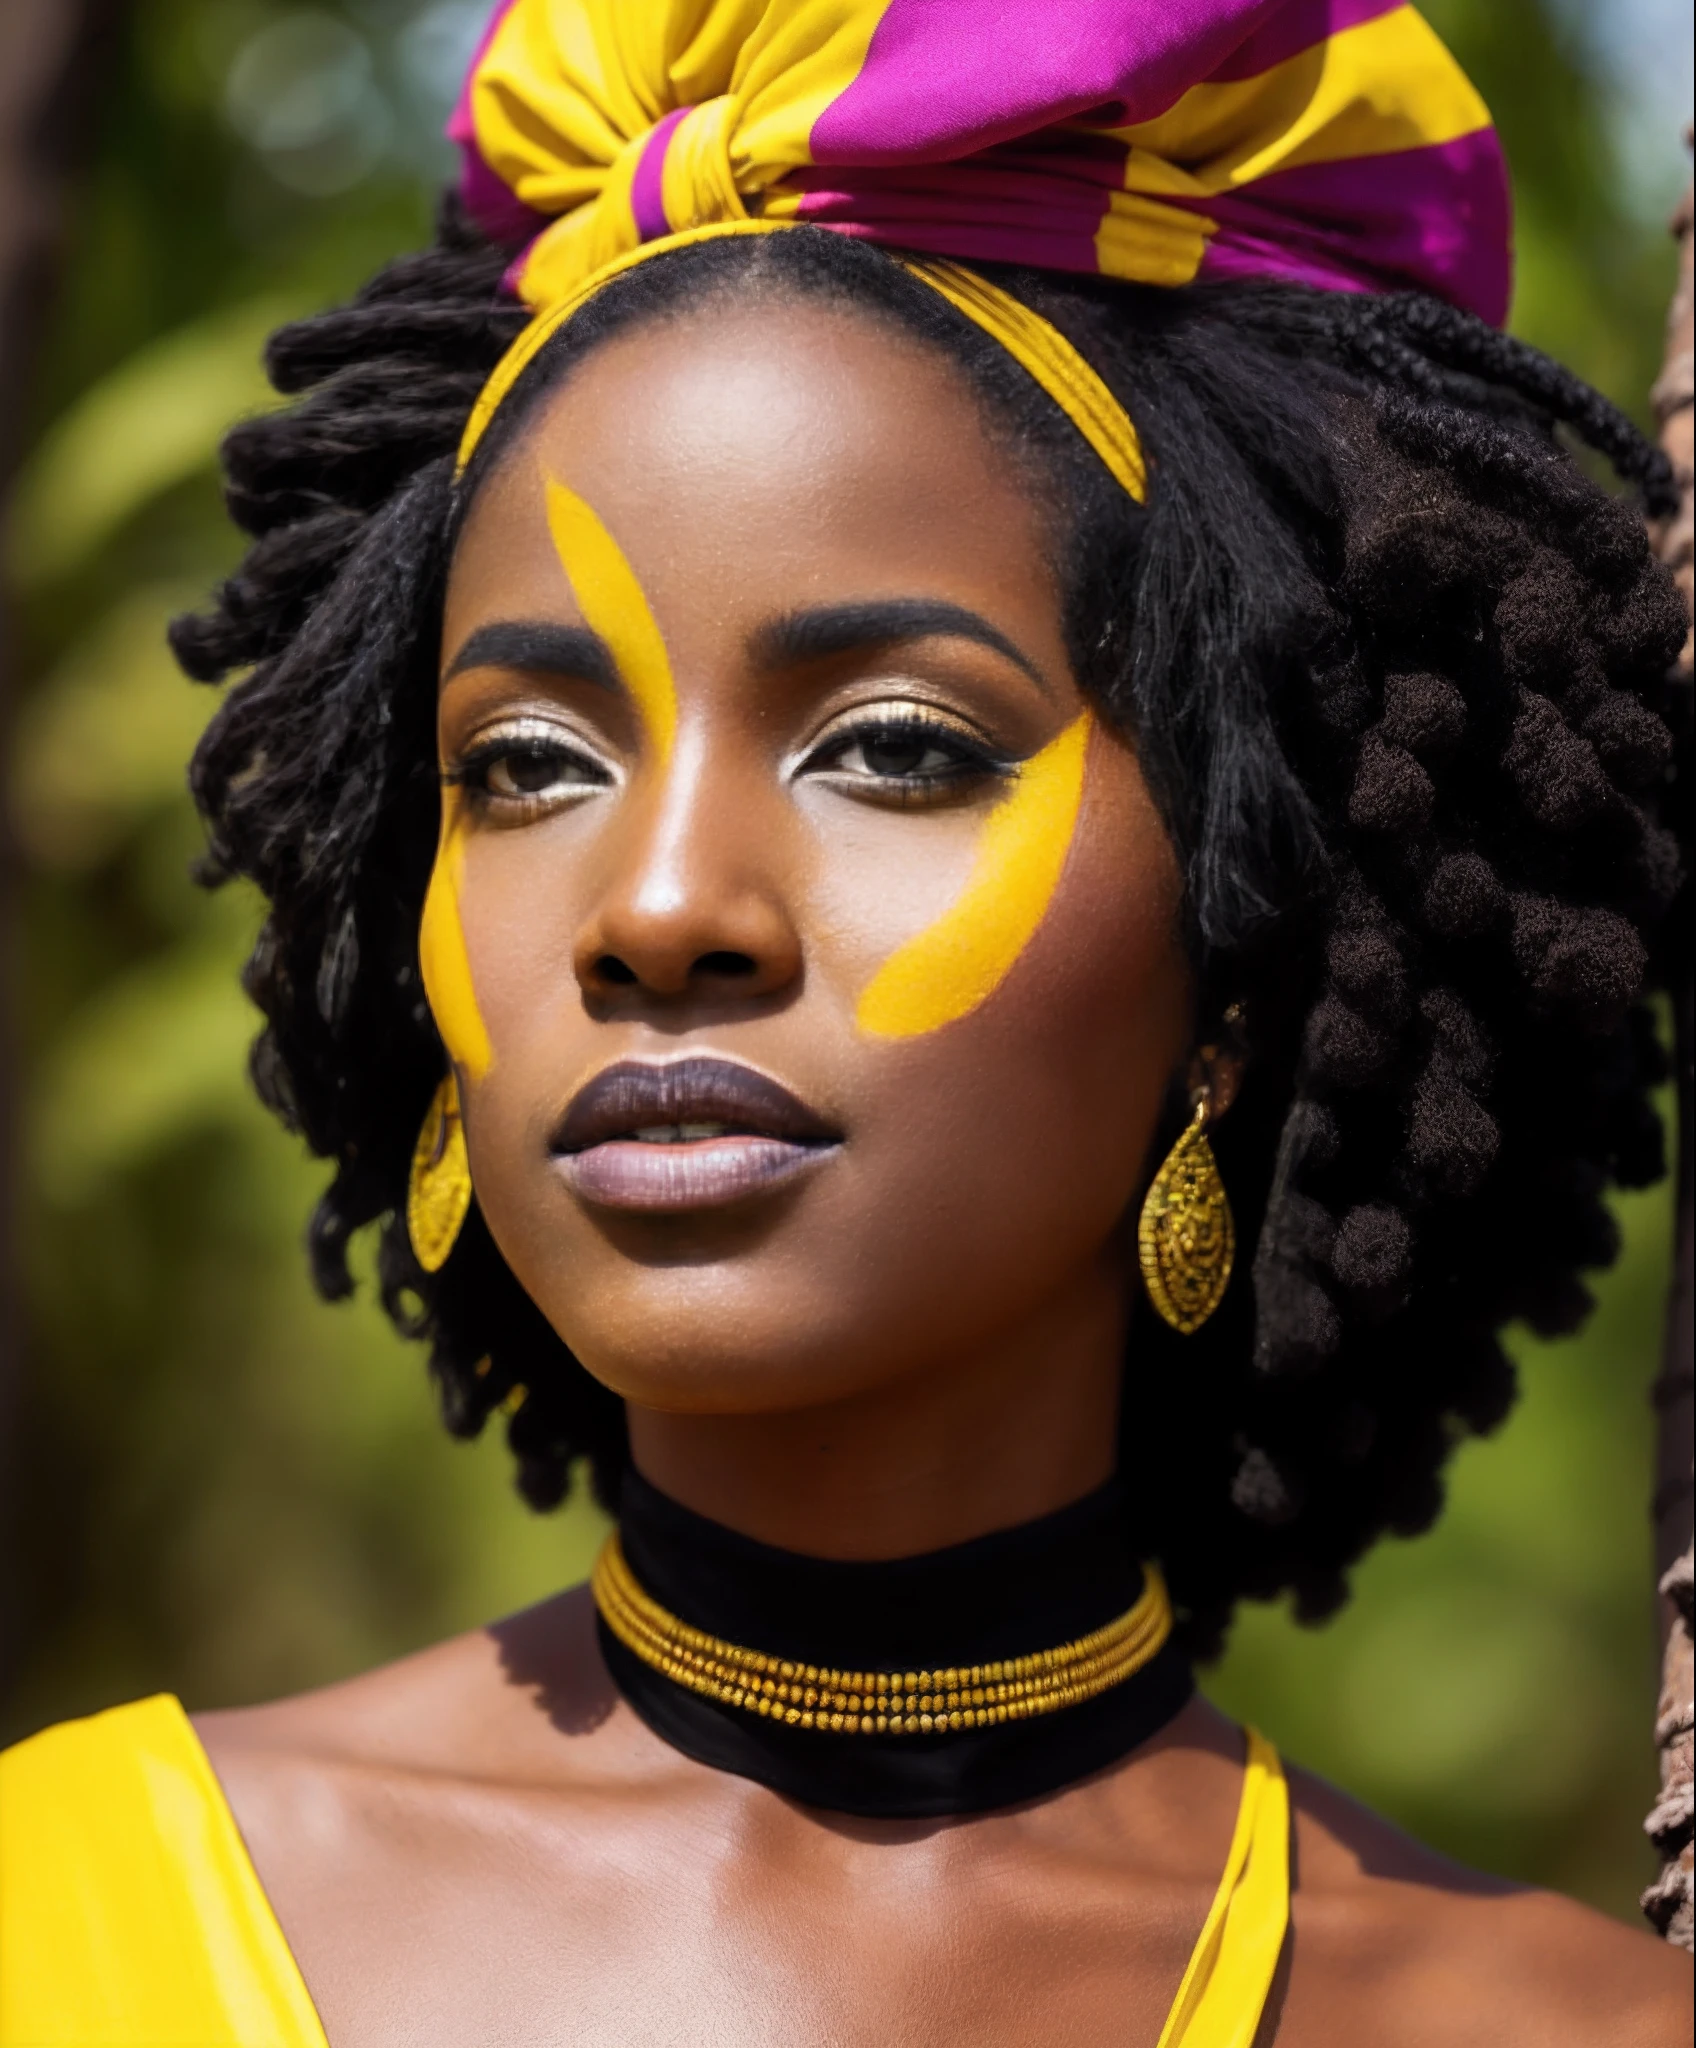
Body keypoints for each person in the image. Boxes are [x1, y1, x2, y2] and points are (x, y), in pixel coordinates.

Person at [3, 3, 1691, 2042]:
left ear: (1240, 944)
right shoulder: (57, 1913)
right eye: (526, 763)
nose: (651, 912)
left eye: (890, 746)